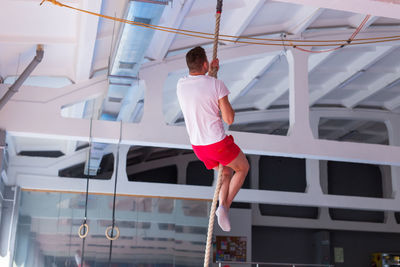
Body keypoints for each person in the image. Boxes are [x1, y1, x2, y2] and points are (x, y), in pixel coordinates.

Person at [176, 46, 249, 232]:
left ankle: (222, 207)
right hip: (216, 143)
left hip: (199, 148)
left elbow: (201, 87)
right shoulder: (217, 85)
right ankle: (224, 206)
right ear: (205, 63)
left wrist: (210, 73)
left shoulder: (181, 84)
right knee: (242, 167)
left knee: (226, 172)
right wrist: (219, 89)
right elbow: (229, 119)